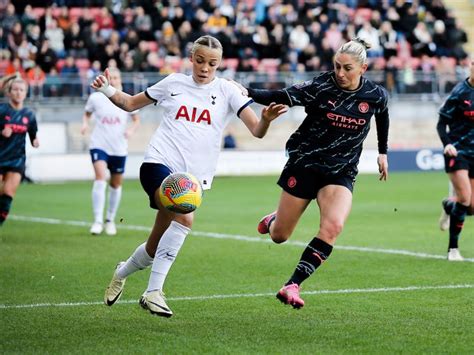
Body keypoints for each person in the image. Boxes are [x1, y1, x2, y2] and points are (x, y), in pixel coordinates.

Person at [92, 35, 287, 317]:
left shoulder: (228, 91)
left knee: (154, 245)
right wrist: (107, 89)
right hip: (158, 163)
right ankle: (153, 292)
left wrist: (266, 119)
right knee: (184, 211)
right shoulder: (173, 83)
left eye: (212, 63)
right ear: (191, 58)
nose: (204, 68)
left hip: (195, 177)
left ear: (219, 64)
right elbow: (131, 103)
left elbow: (256, 131)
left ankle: (122, 271)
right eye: (199, 60)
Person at [243, 37, 389, 309]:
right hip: (306, 164)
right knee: (279, 236)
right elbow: (281, 95)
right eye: (337, 67)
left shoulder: (376, 95)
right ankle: (275, 220)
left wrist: (383, 151)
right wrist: (243, 90)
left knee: (333, 226)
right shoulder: (320, 86)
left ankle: (292, 284)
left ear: (363, 69)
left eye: (347, 68)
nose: (340, 73)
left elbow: (382, 114)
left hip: (341, 171)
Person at [81, 67, 140, 236]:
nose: (113, 80)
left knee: (115, 184)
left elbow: (136, 120)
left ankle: (110, 220)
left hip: (119, 147)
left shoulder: (126, 98)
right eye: (110, 77)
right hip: (99, 144)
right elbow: (86, 113)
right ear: (105, 78)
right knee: (100, 179)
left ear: (120, 79)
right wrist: (85, 124)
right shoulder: (96, 98)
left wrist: (131, 130)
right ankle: (98, 221)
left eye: (115, 77)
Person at [436, 58, 473, 261]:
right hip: (458, 153)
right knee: (465, 198)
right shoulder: (460, 93)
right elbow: (441, 123)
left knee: (470, 207)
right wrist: (447, 144)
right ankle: (453, 249)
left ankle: (448, 205)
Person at [0, 76, 40, 226]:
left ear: (25, 93)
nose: (18, 93)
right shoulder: (2, 111)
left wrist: (35, 141)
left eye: (21, 90)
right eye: (15, 89)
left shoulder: (29, 115)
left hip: (17, 159)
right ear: (9, 92)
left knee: (8, 193)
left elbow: (33, 136)